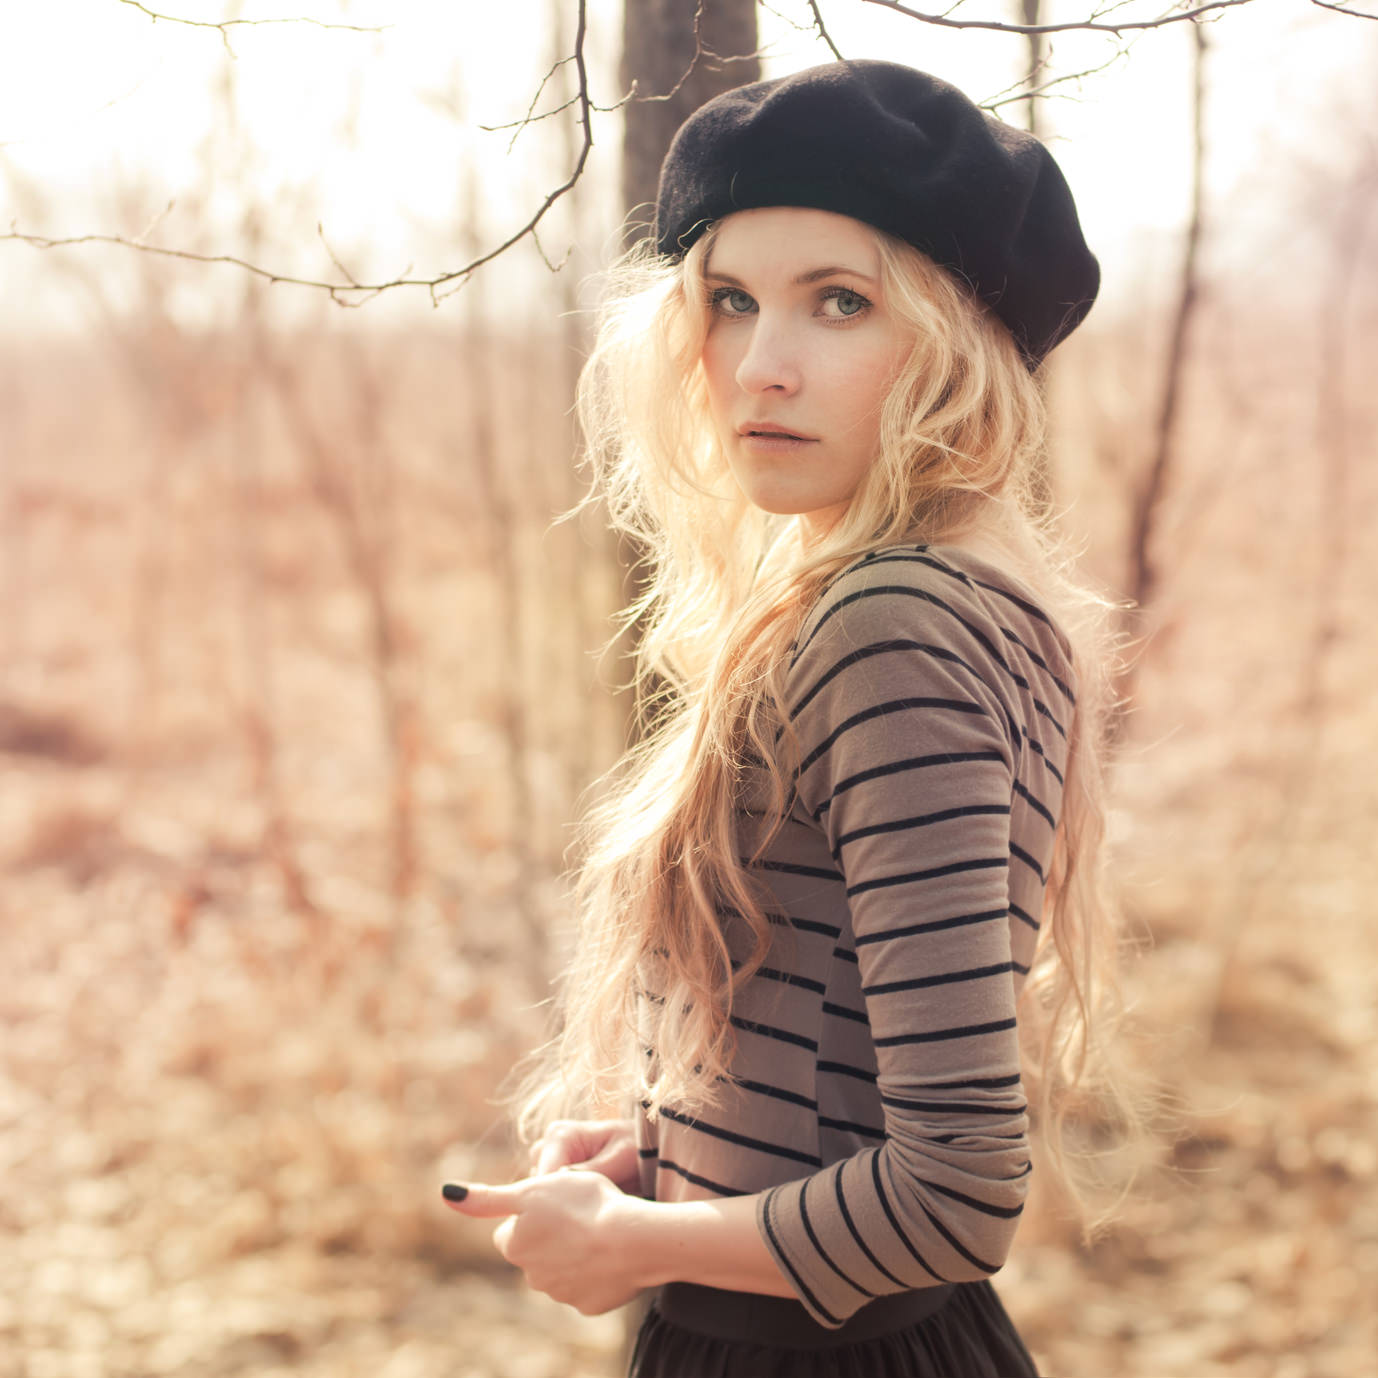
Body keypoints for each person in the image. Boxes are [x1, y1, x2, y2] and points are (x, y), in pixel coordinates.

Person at [442, 60, 1135, 1377]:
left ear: (953, 347)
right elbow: (843, 1063)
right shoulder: (946, 599)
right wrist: (670, 1161)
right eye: (730, 301)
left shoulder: (891, 629)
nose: (760, 366)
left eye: (839, 302)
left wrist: (640, 1243)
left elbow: (956, 1192)